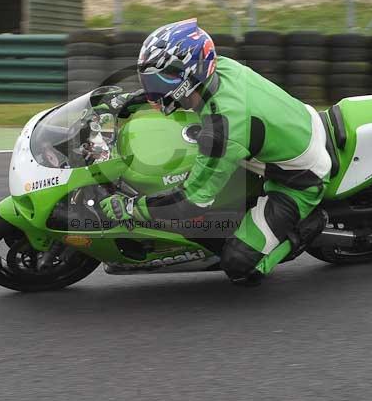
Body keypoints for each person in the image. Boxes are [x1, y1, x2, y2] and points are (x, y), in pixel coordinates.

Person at [99, 19, 331, 285]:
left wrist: (131, 208)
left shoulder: (222, 129)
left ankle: (307, 225)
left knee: (239, 266)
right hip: (289, 129)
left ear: (190, 77)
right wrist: (133, 99)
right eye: (148, 79)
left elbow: (191, 202)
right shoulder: (218, 67)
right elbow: (176, 86)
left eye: (158, 80)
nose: (153, 87)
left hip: (299, 179)